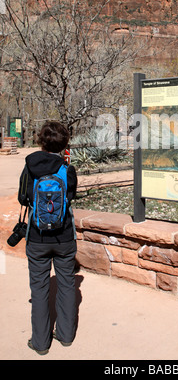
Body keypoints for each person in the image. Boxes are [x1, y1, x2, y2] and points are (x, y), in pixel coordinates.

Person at [18, 121, 77, 355]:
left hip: (37, 238)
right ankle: (65, 335)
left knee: (39, 289)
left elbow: (24, 198)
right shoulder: (68, 170)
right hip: (64, 237)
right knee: (66, 285)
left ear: (42, 141)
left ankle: (41, 344)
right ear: (64, 144)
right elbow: (71, 196)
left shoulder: (30, 166)